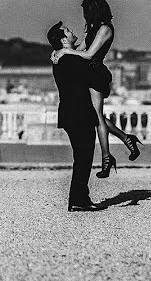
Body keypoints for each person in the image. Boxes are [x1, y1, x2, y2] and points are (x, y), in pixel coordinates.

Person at [51, 0, 143, 178]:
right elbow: (80, 49)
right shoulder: (93, 28)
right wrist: (58, 51)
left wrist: (64, 50)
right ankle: (125, 140)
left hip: (96, 74)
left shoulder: (105, 29)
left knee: (97, 116)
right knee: (96, 116)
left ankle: (107, 158)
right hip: (89, 72)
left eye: (86, 12)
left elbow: (89, 54)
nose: (84, 16)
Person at [47, 21, 104, 211]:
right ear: (64, 40)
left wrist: (66, 51)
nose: (72, 32)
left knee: (81, 157)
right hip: (79, 114)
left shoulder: (62, 58)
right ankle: (79, 199)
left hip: (70, 114)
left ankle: (79, 198)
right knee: (83, 157)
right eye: (68, 31)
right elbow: (95, 77)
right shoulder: (72, 60)